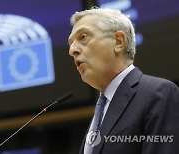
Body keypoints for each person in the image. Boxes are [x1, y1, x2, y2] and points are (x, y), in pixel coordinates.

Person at [68, 7, 179, 154]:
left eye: (83, 37)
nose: (72, 50)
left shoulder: (158, 93)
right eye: (71, 43)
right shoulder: (101, 111)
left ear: (118, 41)